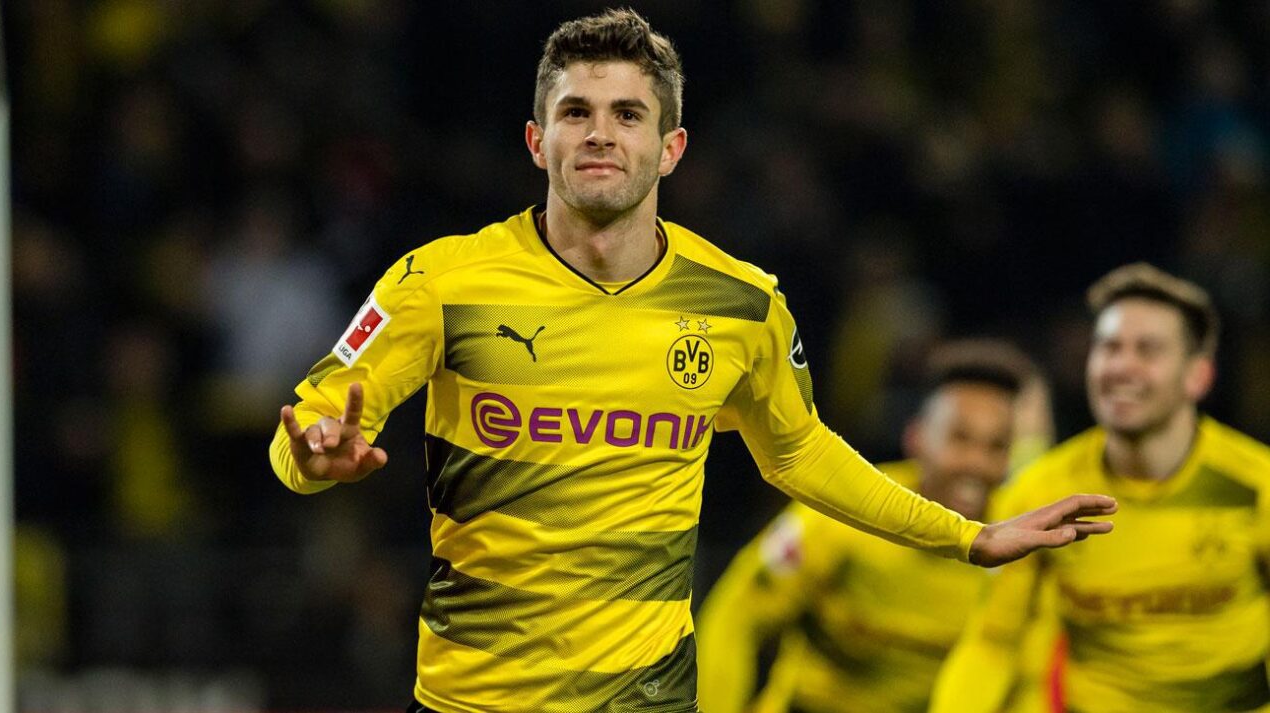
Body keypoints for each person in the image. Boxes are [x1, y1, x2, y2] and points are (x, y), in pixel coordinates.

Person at [268, 9, 1115, 713]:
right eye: (576, 112)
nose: (600, 134)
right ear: (536, 140)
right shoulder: (440, 281)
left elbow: (799, 450)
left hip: (648, 697)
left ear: (671, 147)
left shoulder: (743, 303)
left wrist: (969, 537)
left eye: (628, 114)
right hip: (472, 699)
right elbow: (309, 420)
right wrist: (310, 458)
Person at [931, 263, 1270, 713]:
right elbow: (994, 642)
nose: (1121, 367)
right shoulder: (1043, 491)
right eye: (1109, 347)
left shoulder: (1256, 485)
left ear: (1198, 376)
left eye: (1147, 350)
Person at [696, 340, 1043, 713]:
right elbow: (736, 617)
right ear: (916, 438)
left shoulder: (1021, 547)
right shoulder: (843, 514)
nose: (977, 463)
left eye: (996, 446)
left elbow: (1031, 671)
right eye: (960, 439)